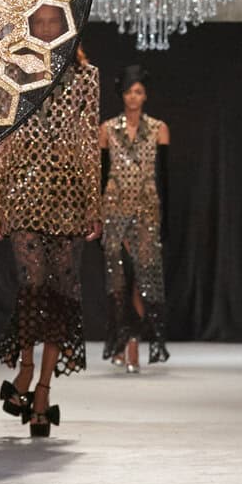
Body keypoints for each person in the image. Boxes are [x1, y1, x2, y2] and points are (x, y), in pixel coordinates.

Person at [0, 13, 101, 436]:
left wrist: (94, 207)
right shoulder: (13, 72)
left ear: (69, 25)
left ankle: (43, 391)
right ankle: (25, 369)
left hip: (69, 195)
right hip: (23, 193)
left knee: (61, 296)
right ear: (31, 25)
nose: (49, 28)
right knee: (33, 287)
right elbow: (2, 139)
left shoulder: (86, 76)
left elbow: (89, 143)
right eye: (42, 21)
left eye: (55, 21)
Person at [99, 65, 170, 373]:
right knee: (118, 280)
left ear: (146, 95)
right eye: (128, 91)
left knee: (142, 279)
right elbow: (101, 175)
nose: (133, 97)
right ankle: (120, 341)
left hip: (146, 210)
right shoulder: (107, 129)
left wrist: (165, 218)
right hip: (114, 210)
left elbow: (164, 176)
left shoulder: (158, 129)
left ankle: (133, 344)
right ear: (122, 95)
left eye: (138, 91)